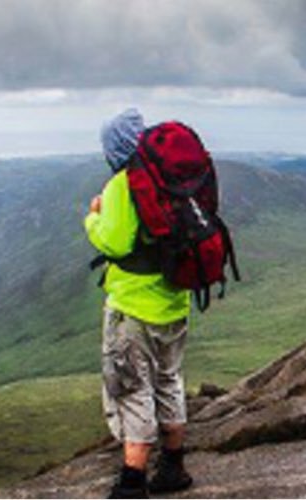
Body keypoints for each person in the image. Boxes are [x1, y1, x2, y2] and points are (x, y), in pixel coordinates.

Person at [85, 108, 194, 498]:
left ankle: (132, 484)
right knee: (168, 379)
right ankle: (174, 466)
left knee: (131, 387)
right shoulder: (175, 179)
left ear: (114, 150)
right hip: (175, 302)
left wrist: (93, 217)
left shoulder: (122, 185)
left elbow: (113, 241)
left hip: (132, 308)